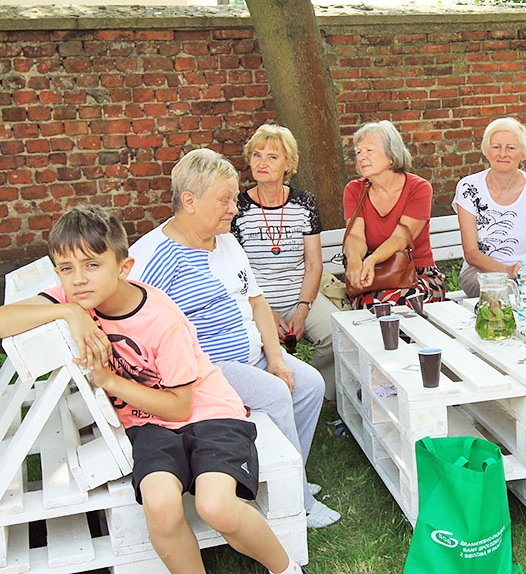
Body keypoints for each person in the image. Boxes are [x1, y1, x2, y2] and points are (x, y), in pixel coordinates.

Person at [0, 206, 304, 574]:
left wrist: (111, 382)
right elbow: (4, 319)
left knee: (216, 506)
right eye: (66, 269)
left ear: (124, 268)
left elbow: (179, 407)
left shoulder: (161, 317)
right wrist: (67, 314)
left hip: (207, 414)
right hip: (148, 424)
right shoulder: (75, 301)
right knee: (160, 507)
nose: (78, 279)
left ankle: (287, 569)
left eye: (92, 265)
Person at [129, 148, 340, 528]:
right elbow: (131, 323)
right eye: (225, 200)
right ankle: (299, 503)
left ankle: (288, 477)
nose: (234, 208)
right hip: (206, 368)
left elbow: (259, 305)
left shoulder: (226, 242)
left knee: (309, 384)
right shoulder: (153, 257)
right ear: (189, 201)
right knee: (277, 394)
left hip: (252, 354)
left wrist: (276, 359)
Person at [232, 124, 339, 400]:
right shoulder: (238, 208)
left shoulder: (304, 203)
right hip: (257, 303)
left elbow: (314, 264)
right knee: (257, 347)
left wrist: (303, 309)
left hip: (300, 298)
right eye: (256, 155)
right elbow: (237, 272)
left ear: (288, 164)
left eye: (272, 157)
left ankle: (318, 395)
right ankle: (274, 396)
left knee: (336, 334)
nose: (262, 163)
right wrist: (266, 313)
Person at [342, 120, 446, 308]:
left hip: (417, 274)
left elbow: (401, 238)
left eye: (369, 151)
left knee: (396, 302)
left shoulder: (419, 188)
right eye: (358, 152)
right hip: (374, 277)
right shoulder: (354, 190)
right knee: (376, 303)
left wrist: (372, 260)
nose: (361, 157)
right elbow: (355, 236)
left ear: (391, 155)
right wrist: (355, 262)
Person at [453, 117, 526, 298]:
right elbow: (471, 254)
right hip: (481, 273)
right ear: (486, 151)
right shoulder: (469, 187)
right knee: (506, 293)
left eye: (511, 148)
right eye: (496, 147)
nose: (503, 154)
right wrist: (509, 271)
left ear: (523, 153)